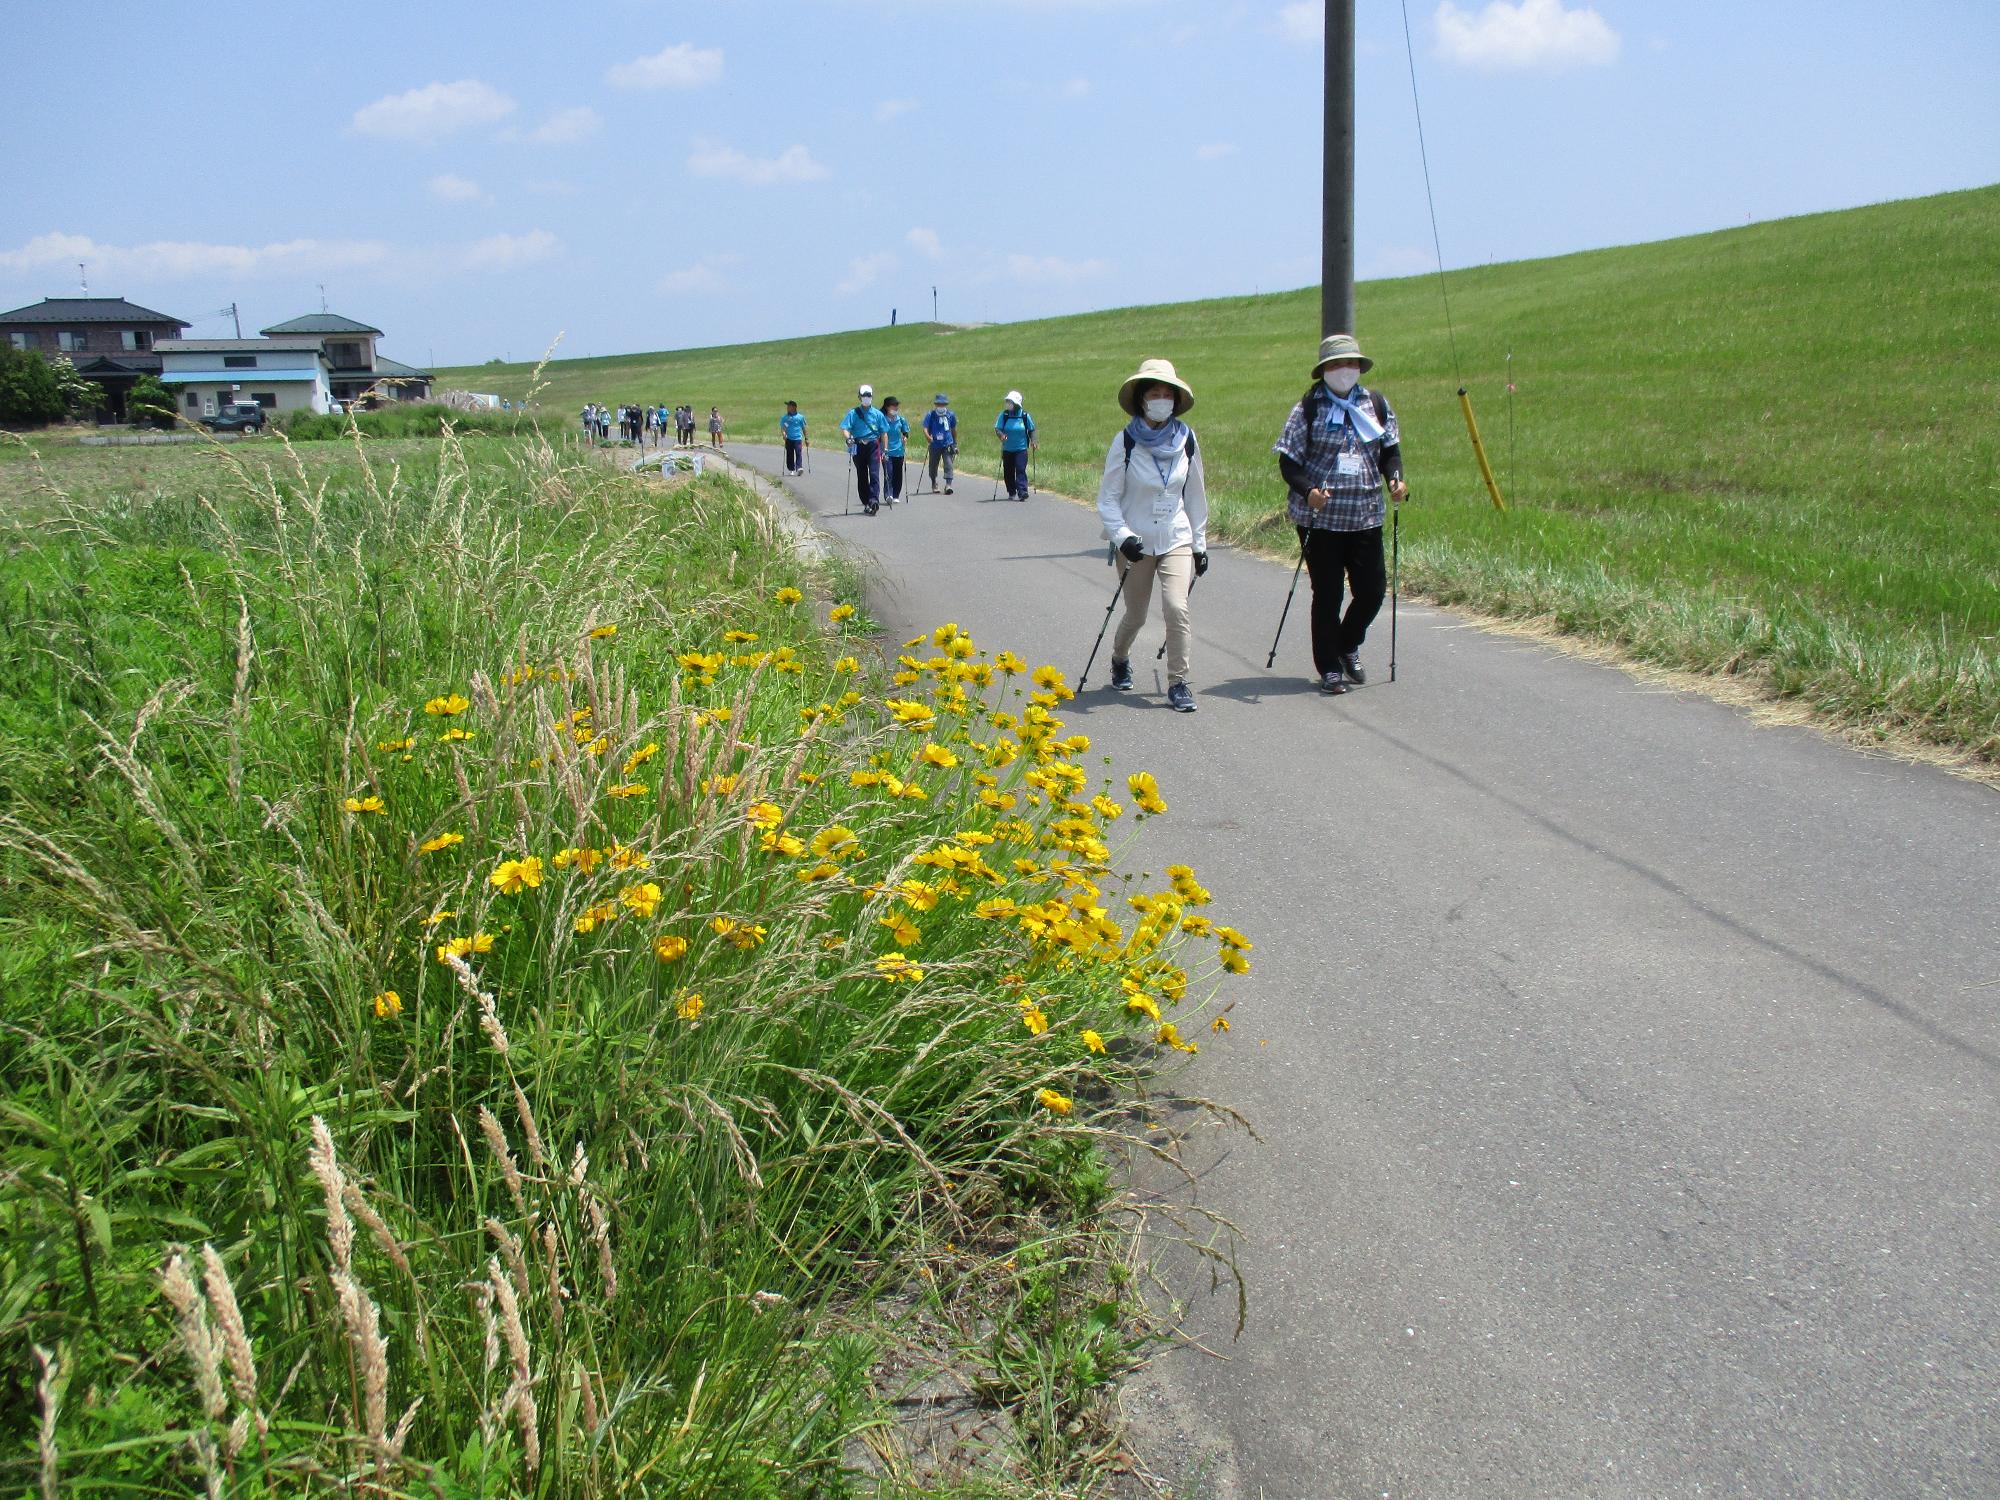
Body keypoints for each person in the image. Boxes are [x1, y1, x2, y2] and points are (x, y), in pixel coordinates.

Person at [1271, 333, 1407, 695]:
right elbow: (1289, 463)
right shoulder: (1308, 408)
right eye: (1336, 364)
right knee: (1328, 593)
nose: (1344, 370)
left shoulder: (1374, 403)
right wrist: (1308, 492)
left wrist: (1395, 479)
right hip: (1321, 518)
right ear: (1323, 371)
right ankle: (1329, 666)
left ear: (1359, 368)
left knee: (1373, 591)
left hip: (1365, 513)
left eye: (1350, 363)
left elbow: (1390, 450)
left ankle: (1347, 643)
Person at [1095, 358, 1208, 713]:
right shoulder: (1125, 441)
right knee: (1137, 614)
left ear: (1175, 400)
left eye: (1167, 394)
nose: (1161, 399)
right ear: (1142, 400)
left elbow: (1195, 495)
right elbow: (1108, 498)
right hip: (1136, 542)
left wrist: (1200, 544)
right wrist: (1122, 535)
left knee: (1177, 607)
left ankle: (1179, 682)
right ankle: (1119, 657)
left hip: (1176, 537)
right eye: (1154, 393)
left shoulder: (1187, 438)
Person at [840, 383, 889, 515]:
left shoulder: (878, 414)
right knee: (861, 474)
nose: (866, 398)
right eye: (864, 395)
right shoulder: (853, 413)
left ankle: (874, 500)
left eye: (868, 395)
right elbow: (845, 428)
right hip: (858, 445)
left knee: (874, 473)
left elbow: (884, 432)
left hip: (873, 445)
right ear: (859, 397)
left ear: (872, 397)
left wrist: (885, 450)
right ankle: (866, 501)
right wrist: (848, 438)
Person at [995, 390, 1036, 501]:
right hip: (1007, 449)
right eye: (1007, 401)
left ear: (1017, 404)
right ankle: (1011, 491)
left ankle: (1022, 491)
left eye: (1010, 401)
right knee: (1008, 471)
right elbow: (997, 428)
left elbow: (1031, 430)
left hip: (1021, 449)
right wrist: (1001, 435)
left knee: (1020, 469)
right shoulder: (1004, 415)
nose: (1008, 403)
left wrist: (1033, 441)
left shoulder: (1024, 416)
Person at [922, 392, 957, 493]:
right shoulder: (931, 415)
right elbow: (925, 428)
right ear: (936, 405)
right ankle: (934, 482)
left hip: (947, 443)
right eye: (939, 404)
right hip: (934, 444)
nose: (941, 406)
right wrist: (928, 437)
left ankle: (948, 485)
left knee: (949, 464)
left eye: (943, 404)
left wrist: (955, 443)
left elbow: (954, 429)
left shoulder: (950, 415)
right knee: (933, 465)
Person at [880, 396, 910, 503]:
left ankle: (896, 494)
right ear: (887, 407)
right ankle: (888, 494)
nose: (896, 408)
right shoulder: (882, 419)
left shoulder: (900, 419)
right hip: (886, 451)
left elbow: (905, 432)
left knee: (898, 474)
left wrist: (905, 437)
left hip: (899, 451)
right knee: (889, 473)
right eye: (893, 406)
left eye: (897, 406)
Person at [780, 399, 809, 474]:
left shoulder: (800, 417)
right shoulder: (785, 418)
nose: (787, 408)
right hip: (789, 439)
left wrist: (806, 438)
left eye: (789, 406)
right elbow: (783, 428)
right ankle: (791, 469)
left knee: (798, 452)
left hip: (798, 439)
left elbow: (804, 428)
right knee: (790, 454)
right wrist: (784, 435)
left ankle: (799, 468)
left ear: (794, 407)